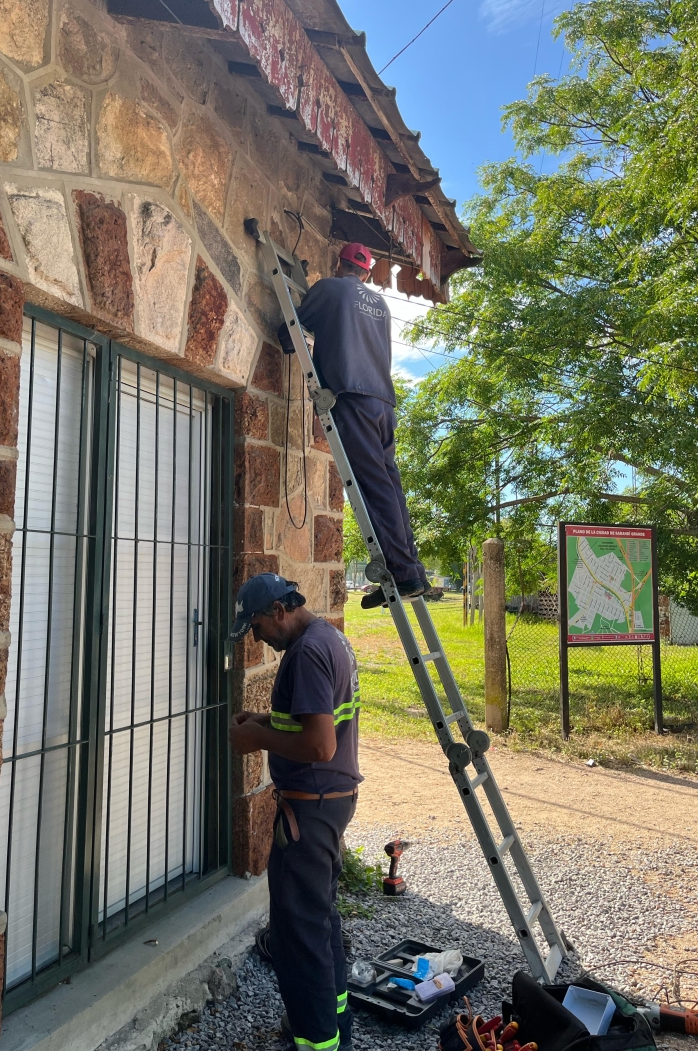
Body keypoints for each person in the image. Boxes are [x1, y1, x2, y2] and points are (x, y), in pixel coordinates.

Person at [228, 573, 361, 1051]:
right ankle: (335, 1021)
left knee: (298, 935)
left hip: (310, 811)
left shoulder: (305, 654)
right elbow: (312, 719)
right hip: (330, 804)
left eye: (257, 627)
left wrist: (256, 739)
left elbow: (320, 745)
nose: (257, 638)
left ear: (280, 611)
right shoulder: (328, 637)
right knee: (319, 919)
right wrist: (265, 721)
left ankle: (318, 1041)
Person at [277, 242, 427, 608]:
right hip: (383, 405)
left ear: (338, 263)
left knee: (374, 489)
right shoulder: (380, 304)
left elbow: (290, 334)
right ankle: (412, 570)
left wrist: (287, 326)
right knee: (390, 487)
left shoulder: (330, 289)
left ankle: (404, 575)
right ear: (367, 272)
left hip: (353, 398)